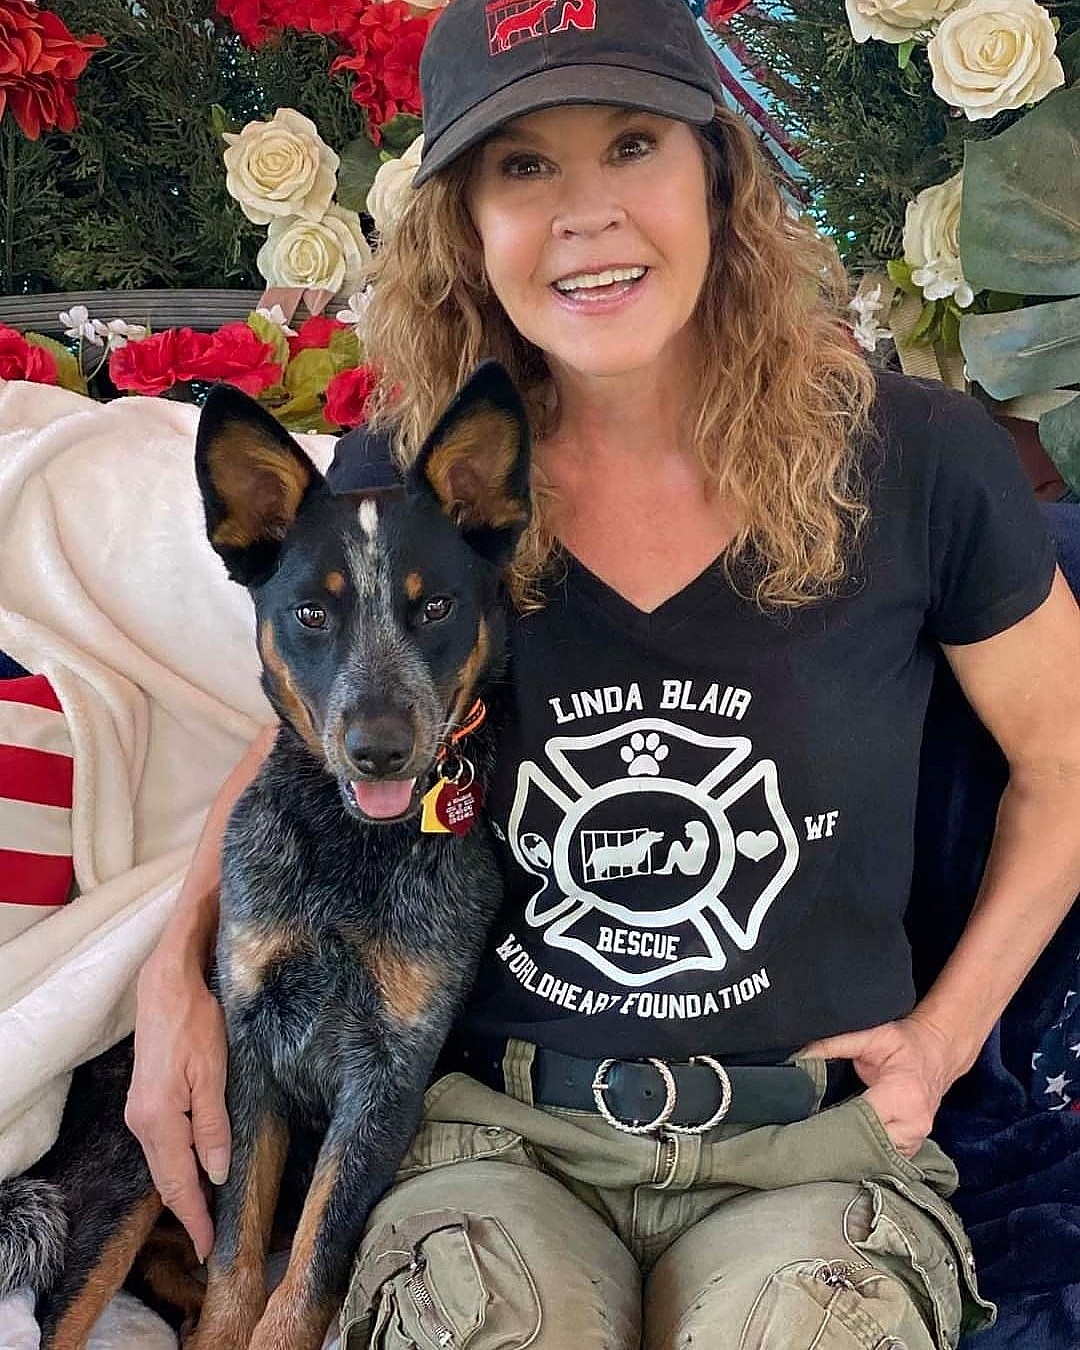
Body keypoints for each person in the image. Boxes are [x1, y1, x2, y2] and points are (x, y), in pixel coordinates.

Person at [126, 0, 1080, 1345]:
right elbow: (323, 732)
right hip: (497, 1140)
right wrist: (175, 972)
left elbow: (1067, 761)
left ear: (718, 175)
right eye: (523, 166)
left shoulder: (922, 459)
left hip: (810, 1151)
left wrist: (945, 1036)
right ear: (464, 221)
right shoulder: (420, 477)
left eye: (632, 143)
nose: (586, 212)